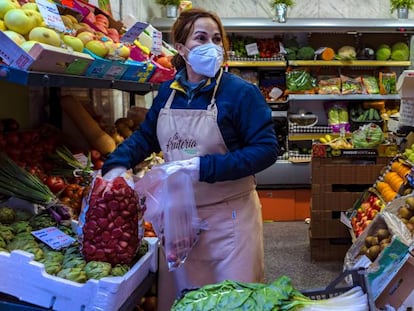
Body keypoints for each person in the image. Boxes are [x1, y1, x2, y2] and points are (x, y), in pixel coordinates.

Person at [101, 7, 279, 309]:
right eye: (201, 38)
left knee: (231, 301)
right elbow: (147, 136)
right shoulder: (168, 93)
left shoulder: (240, 94)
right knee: (183, 300)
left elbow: (266, 149)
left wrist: (203, 167)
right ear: (181, 48)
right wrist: (117, 164)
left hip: (229, 222)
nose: (212, 45)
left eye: (216, 39)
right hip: (180, 221)